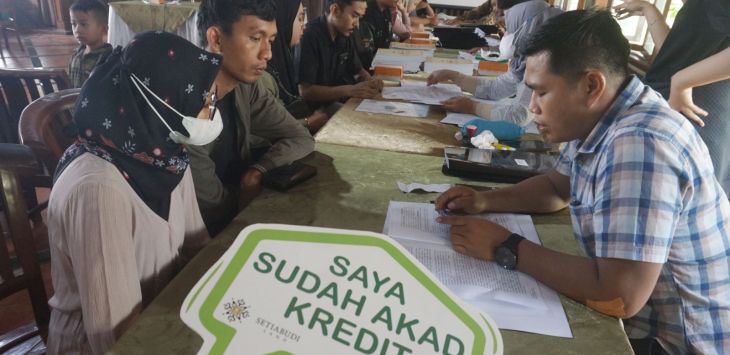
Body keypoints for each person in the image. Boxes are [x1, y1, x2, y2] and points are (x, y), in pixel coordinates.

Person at [435, 10, 730, 354]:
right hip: (650, 322)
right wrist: (485, 200)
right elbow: (558, 188)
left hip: (683, 343)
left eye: (541, 93)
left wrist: (506, 246)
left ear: (591, 85)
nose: (532, 108)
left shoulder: (640, 142)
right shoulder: (602, 114)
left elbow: (619, 296)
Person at [47, 32, 217, 354]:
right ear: (162, 102)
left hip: (163, 320)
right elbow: (115, 335)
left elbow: (198, 250)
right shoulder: (98, 191)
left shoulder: (167, 157)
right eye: (204, 100)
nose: (209, 111)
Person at [194, 0, 314, 235]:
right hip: (199, 239)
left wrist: (258, 170)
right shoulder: (187, 103)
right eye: (255, 38)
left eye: (270, 41)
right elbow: (210, 205)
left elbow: (301, 138)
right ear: (216, 39)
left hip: (237, 218)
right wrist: (245, 198)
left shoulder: (247, 87)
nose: (267, 53)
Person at [613, 0, 730, 195]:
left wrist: (682, 81)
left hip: (696, 112)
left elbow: (681, 72)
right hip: (673, 103)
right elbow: (678, 55)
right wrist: (648, 10)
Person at [426, 0, 560, 126]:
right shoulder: (525, 59)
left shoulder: (544, 62)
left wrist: (472, 107)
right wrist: (454, 76)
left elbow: (519, 116)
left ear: (528, 27)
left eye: (512, 28)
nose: (508, 34)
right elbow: (496, 89)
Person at [259, 0, 331, 134]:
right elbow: (268, 126)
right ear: (284, 19)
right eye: (300, 18)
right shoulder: (261, 72)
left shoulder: (285, 55)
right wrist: (308, 122)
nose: (303, 26)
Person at [298, 0, 384, 110]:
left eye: (359, 18)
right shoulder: (310, 36)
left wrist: (370, 80)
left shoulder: (344, 32)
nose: (357, 24)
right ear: (335, 10)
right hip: (315, 111)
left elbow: (357, 70)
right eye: (354, 16)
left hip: (338, 101)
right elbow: (305, 91)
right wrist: (350, 90)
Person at [68, 0, 112, 88]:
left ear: (103, 29)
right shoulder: (77, 54)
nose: (77, 30)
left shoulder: (108, 58)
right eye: (74, 24)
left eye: (83, 24)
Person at [357, 0, 395, 69]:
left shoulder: (386, 11)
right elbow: (366, 56)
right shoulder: (366, 13)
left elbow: (386, 43)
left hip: (383, 61)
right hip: (370, 68)